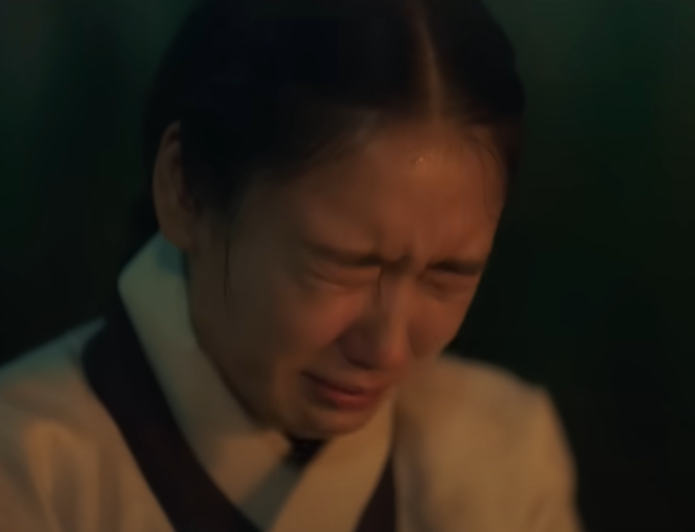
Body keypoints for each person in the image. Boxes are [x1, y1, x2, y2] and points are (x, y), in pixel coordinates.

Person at [0, 0, 583, 530]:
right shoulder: (27, 470)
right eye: (344, 264)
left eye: (447, 274)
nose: (387, 350)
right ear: (186, 190)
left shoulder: (500, 454)